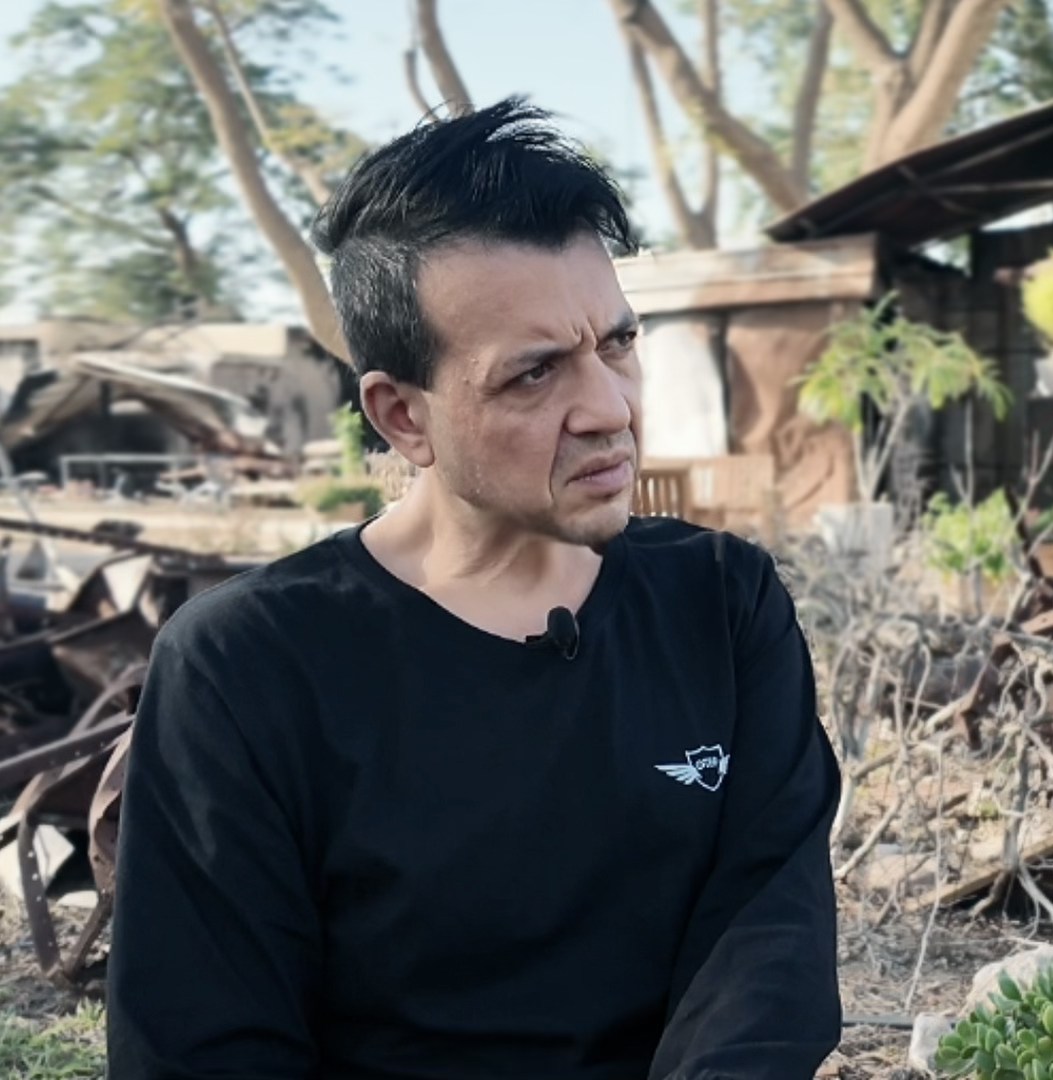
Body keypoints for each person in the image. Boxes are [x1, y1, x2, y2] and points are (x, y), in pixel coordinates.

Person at [107, 98, 841, 1080]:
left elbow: (768, 938)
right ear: (402, 416)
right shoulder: (247, 667)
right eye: (534, 375)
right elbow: (204, 1039)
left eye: (617, 344)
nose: (610, 409)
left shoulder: (720, 601)